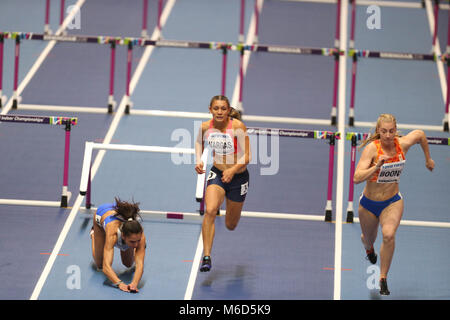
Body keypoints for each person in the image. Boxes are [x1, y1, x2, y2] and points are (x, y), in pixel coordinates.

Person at [353, 114, 434, 295]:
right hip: (368, 204)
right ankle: (368, 248)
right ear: (378, 131)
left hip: (392, 201)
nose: (388, 136)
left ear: (395, 130)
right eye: (384, 132)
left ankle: (383, 278)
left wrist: (427, 159)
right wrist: (375, 167)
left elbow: (420, 134)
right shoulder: (372, 150)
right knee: (368, 238)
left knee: (388, 235)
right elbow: (356, 178)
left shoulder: (402, 144)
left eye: (391, 131)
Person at [194, 95, 251, 272]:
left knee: (230, 225)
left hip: (238, 178)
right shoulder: (205, 127)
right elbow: (198, 143)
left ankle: (230, 204)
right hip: (217, 174)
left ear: (228, 111)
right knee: (210, 210)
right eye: (216, 108)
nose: (219, 112)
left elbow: (248, 156)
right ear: (210, 109)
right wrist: (198, 159)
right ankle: (207, 256)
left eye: (223, 109)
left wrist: (232, 170)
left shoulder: (237, 127)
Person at [91, 197, 146, 292]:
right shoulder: (112, 233)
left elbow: (140, 264)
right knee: (99, 265)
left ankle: (126, 244)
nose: (136, 244)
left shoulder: (139, 236)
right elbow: (106, 267)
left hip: (123, 224)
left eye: (138, 240)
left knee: (128, 264)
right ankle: (93, 234)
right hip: (101, 215)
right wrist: (119, 284)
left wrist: (134, 284)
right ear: (123, 236)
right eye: (133, 242)